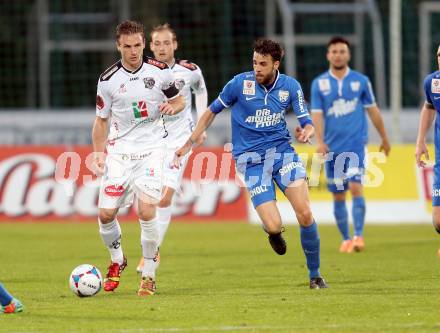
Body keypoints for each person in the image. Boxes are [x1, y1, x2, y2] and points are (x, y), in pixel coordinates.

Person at [175, 38, 327, 289]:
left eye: (263, 64)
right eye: (255, 62)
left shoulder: (290, 86)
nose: (257, 68)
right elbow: (212, 110)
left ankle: (315, 275)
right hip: (251, 162)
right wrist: (191, 141)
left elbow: (306, 119)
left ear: (276, 64)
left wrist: (307, 131)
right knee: (273, 223)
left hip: (283, 155)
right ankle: (274, 233)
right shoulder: (239, 83)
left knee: (305, 212)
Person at [92, 20, 185, 296]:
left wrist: (172, 106)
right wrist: (98, 154)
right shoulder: (108, 80)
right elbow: (100, 121)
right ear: (118, 46)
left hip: (153, 150)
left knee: (146, 211)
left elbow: (179, 100)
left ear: (144, 44)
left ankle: (149, 275)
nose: (133, 51)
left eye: (137, 45)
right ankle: (117, 259)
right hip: (119, 151)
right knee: (106, 213)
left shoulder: (159, 72)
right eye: (127, 46)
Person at [136, 23, 208, 273]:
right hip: (151, 141)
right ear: (150, 46)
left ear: (175, 45)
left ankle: (151, 254)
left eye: (167, 43)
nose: (162, 47)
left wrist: (200, 127)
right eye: (157, 43)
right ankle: (149, 248)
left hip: (180, 140)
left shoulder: (189, 70)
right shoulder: (142, 72)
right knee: (148, 200)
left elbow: (201, 90)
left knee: (165, 197)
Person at [310, 36, 390, 253]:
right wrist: (319, 142)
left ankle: (358, 236)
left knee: (356, 187)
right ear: (328, 55)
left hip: (356, 145)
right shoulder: (319, 83)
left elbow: (373, 111)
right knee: (338, 194)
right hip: (332, 149)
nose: (338, 55)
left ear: (349, 54)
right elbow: (317, 115)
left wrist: (384, 137)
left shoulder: (361, 81)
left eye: (342, 51)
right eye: (334, 51)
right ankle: (346, 238)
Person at [415, 44, 440, 247]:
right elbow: (429, 107)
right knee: (438, 221)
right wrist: (420, 140)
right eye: (439, 55)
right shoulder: (432, 82)